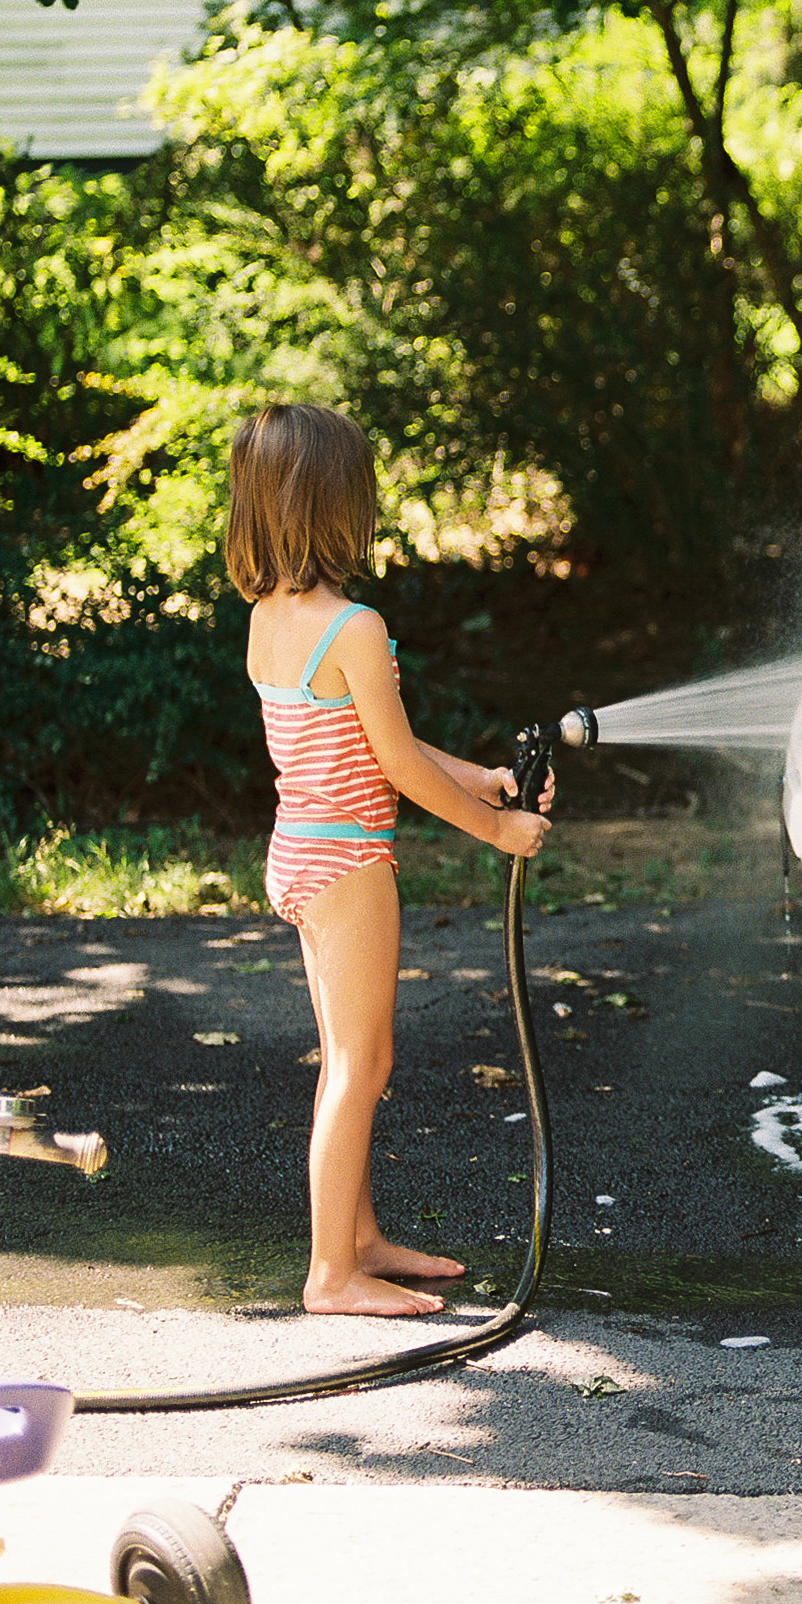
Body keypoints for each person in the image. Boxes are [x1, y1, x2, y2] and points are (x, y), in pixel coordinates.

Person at [225, 403, 554, 1315]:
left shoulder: (269, 617)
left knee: (344, 1059)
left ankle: (357, 1237)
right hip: (349, 867)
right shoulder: (356, 627)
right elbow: (399, 767)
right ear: (331, 505)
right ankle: (330, 1275)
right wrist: (500, 831)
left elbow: (374, 743)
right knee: (360, 1068)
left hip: (298, 852)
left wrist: (482, 778)